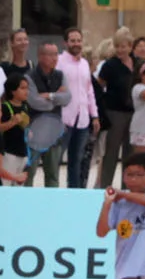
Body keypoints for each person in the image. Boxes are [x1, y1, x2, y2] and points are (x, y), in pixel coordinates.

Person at [94, 32, 138, 187]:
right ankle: (105, 186)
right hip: (115, 113)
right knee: (111, 152)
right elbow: (99, 86)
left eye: (123, 46)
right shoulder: (110, 65)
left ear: (130, 47)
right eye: (117, 46)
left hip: (133, 113)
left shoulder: (137, 63)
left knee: (130, 152)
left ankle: (128, 186)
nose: (120, 50)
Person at [56, 29, 96, 189]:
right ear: (65, 43)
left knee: (76, 160)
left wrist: (95, 115)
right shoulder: (58, 62)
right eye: (72, 40)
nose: (76, 44)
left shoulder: (85, 64)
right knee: (55, 160)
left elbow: (89, 91)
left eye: (78, 40)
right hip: (63, 119)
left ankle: (74, 191)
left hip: (83, 120)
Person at [24, 48, 70, 186]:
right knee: (28, 174)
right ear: (40, 56)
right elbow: (35, 102)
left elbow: (67, 98)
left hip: (53, 132)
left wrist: (50, 96)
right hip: (34, 132)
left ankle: (52, 205)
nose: (55, 58)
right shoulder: (29, 76)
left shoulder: (61, 75)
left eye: (56, 54)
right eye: (51, 54)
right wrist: (56, 98)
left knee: (53, 175)